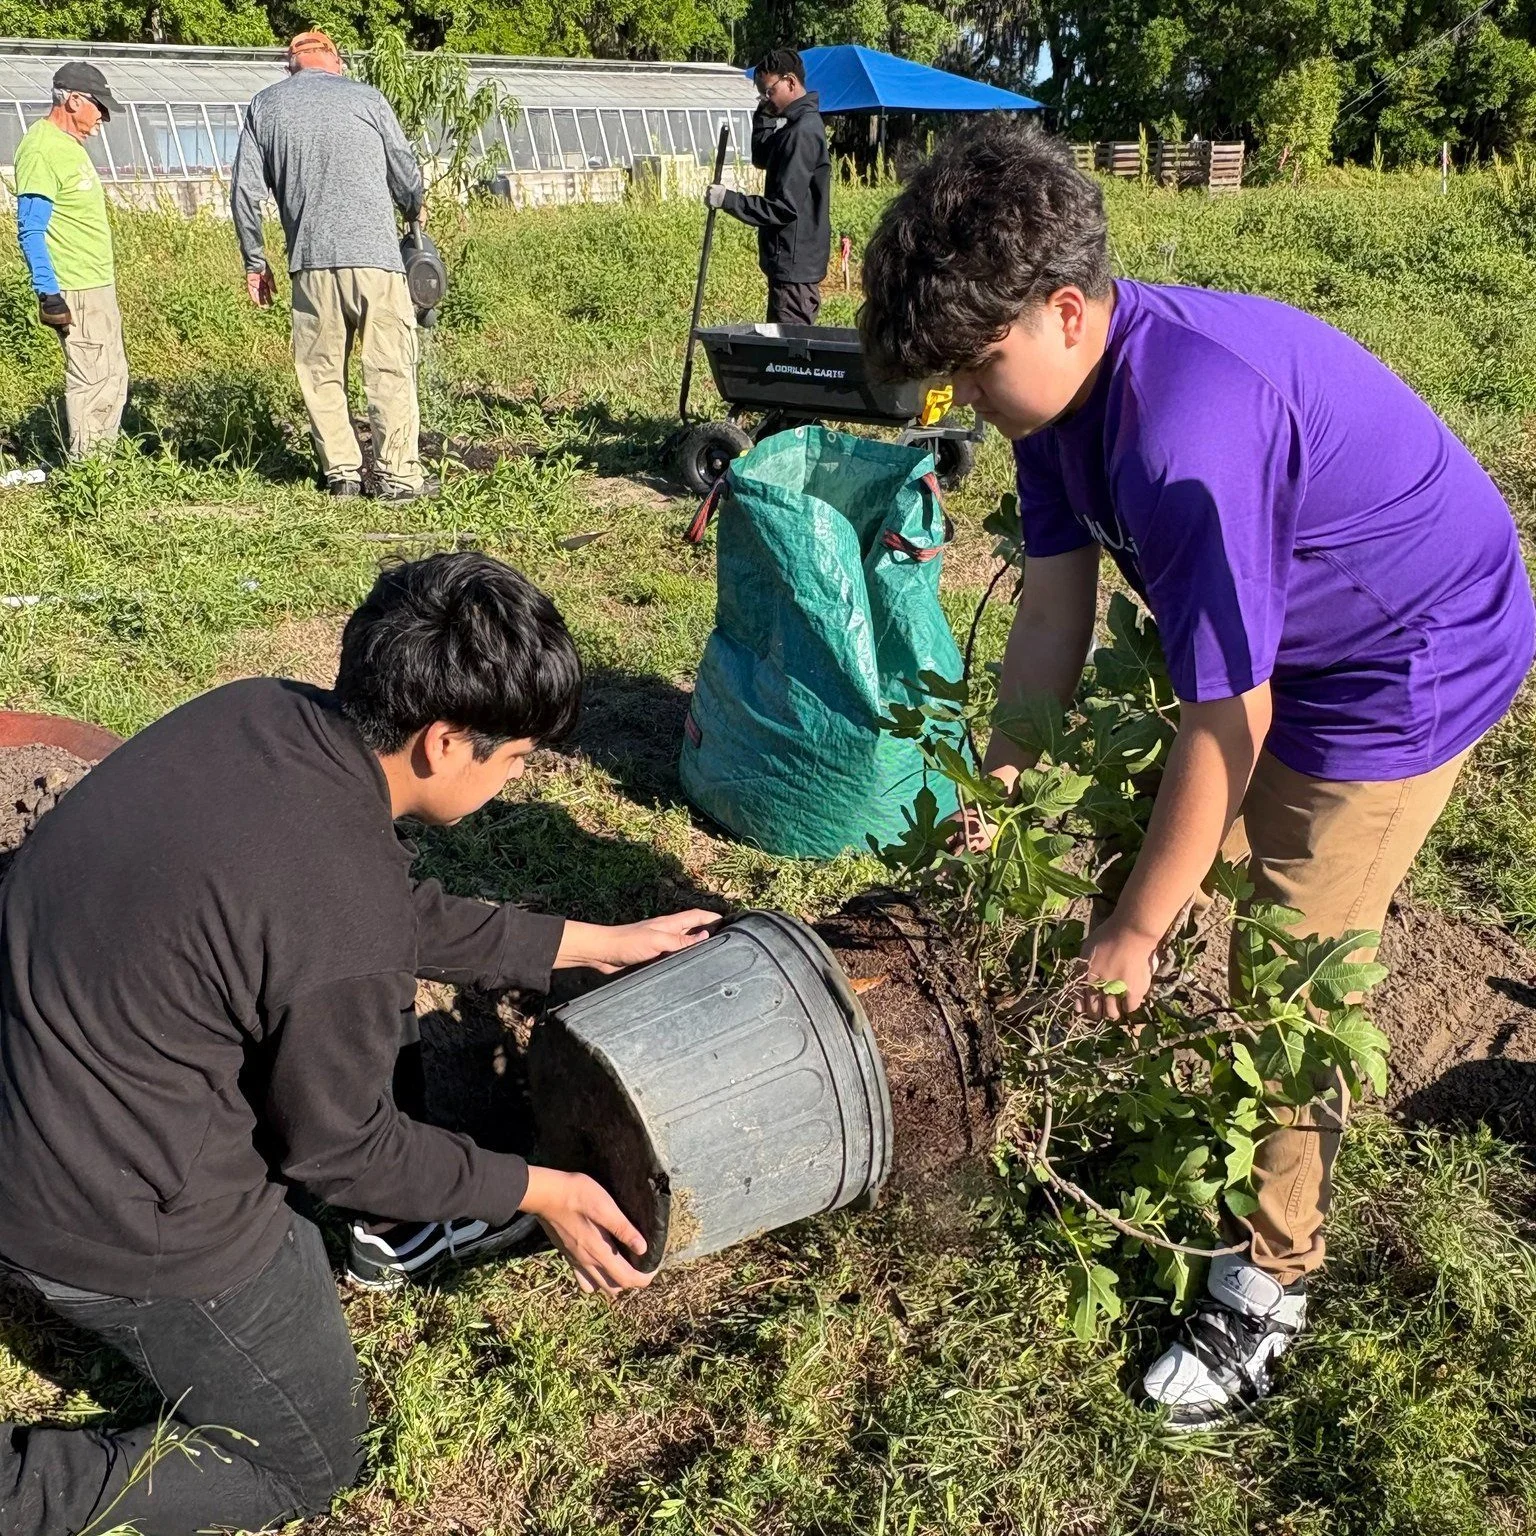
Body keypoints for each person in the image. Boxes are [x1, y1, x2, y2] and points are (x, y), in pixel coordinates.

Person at [859, 121, 1535, 1428]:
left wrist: (1134, 930)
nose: (971, 402)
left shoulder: (1183, 440)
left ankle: (1266, 1283)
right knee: (1181, 861)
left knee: (1286, 965)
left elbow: (1225, 725)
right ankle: (1191, 1090)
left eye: (977, 370)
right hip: (1288, 635)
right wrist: (998, 789)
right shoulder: (1055, 397)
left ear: (1068, 310)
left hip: (1408, 652)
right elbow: (1052, 620)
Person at [0, 552, 717, 1536]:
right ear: (443, 742)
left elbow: (381, 911)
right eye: (513, 762)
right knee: (303, 1459)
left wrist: (585, 945)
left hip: (31, 1080)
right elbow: (344, 1152)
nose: (514, 784)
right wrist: (540, 1188)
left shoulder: (257, 715)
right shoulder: (333, 907)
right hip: (99, 1214)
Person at [231, 31, 431, 502]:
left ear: (290, 66)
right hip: (377, 263)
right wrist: (413, 207)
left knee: (320, 372)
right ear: (336, 61)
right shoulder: (367, 97)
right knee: (389, 368)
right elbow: (403, 166)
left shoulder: (266, 107)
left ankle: (341, 474)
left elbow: (243, 193)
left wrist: (255, 261)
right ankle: (399, 477)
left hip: (310, 264)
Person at [12, 62, 128, 459]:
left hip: (97, 284)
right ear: (74, 100)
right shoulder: (42, 148)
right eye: (100, 106)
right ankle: (89, 476)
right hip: (75, 289)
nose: (104, 117)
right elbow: (30, 229)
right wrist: (49, 293)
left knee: (112, 378)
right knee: (93, 380)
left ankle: (103, 468)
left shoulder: (68, 146)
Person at [706, 47, 830, 326]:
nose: (766, 98)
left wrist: (729, 200)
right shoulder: (792, 128)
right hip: (789, 260)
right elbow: (763, 158)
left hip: (794, 265)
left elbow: (783, 208)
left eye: (769, 91)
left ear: (790, 82)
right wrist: (765, 114)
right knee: (783, 350)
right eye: (761, 94)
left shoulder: (802, 133)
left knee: (790, 355)